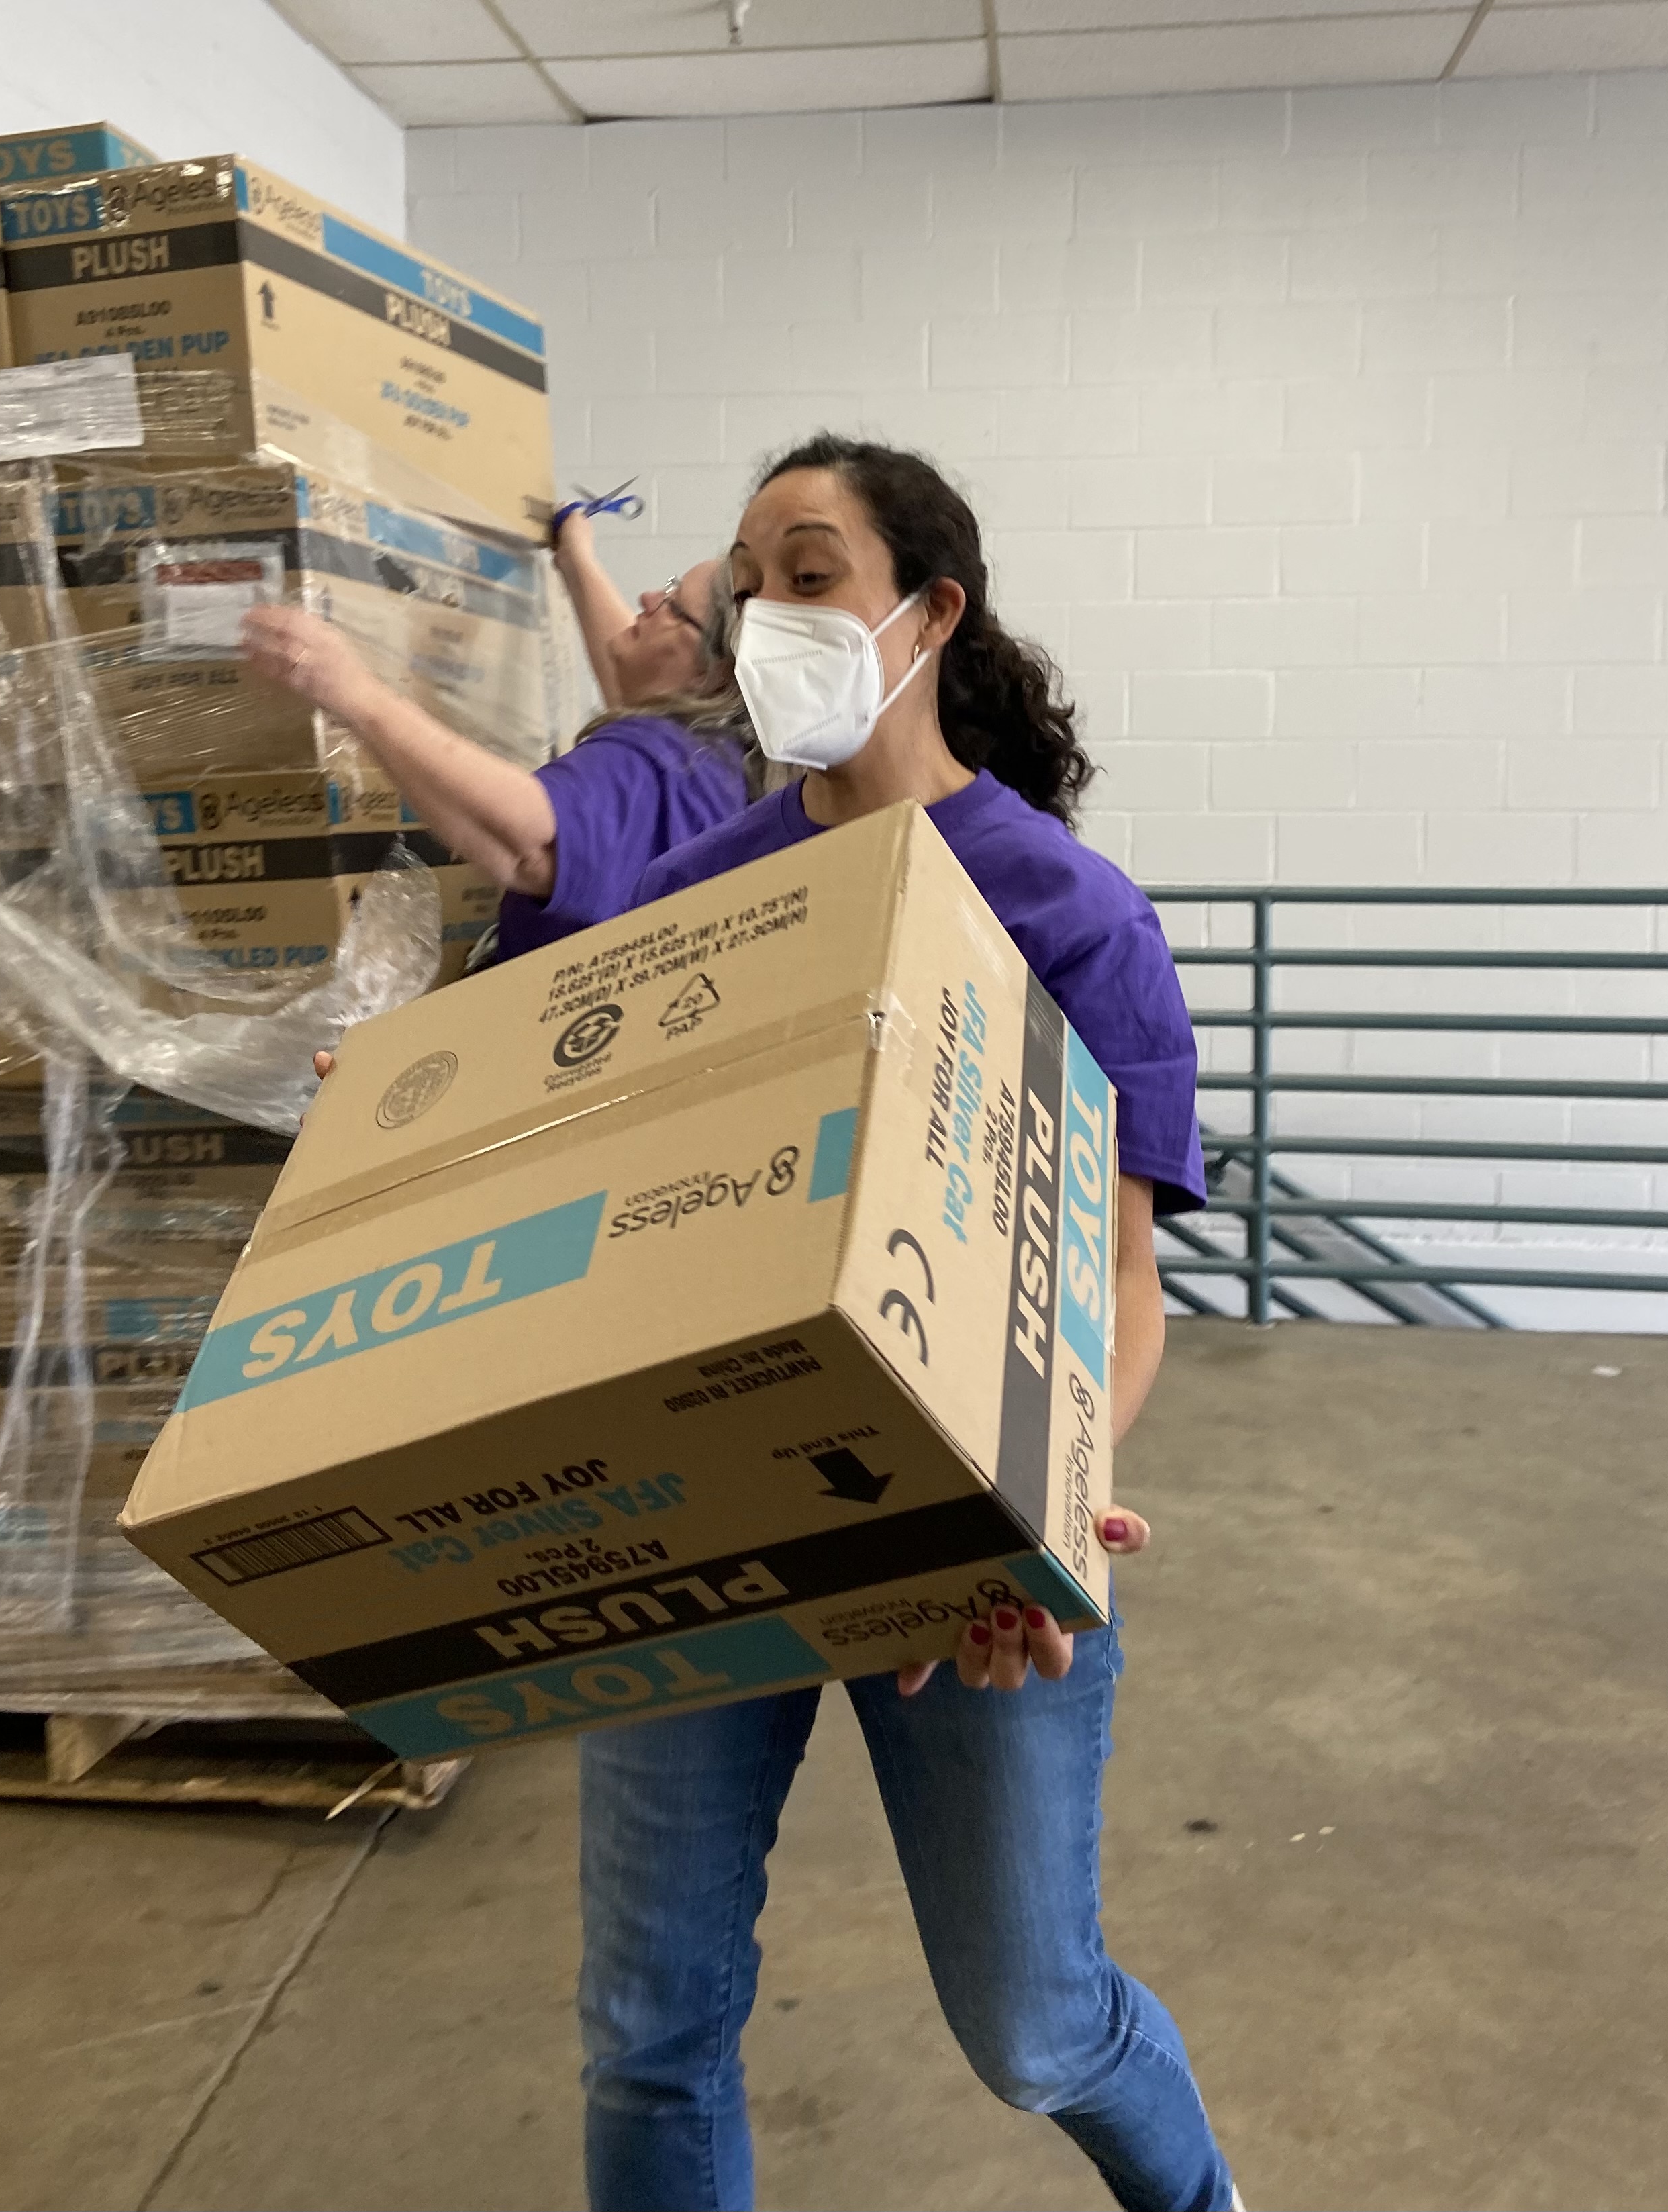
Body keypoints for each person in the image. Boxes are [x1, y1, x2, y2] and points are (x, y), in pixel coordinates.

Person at [583, 436, 1236, 2212]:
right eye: (747, 577)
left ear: (927, 610)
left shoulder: (1066, 913)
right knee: (648, 2026)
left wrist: (1043, 1503)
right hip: (706, 1508)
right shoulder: (684, 900)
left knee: (1032, 2024)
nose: (761, 610)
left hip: (956, 1534)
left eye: (811, 570)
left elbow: (1113, 1282)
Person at [240, 507, 751, 967]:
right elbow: (632, 668)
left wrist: (347, 687)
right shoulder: (715, 757)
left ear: (714, 673)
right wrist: (576, 558)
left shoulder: (656, 762)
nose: (647, 598)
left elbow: (528, 845)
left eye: (672, 605)